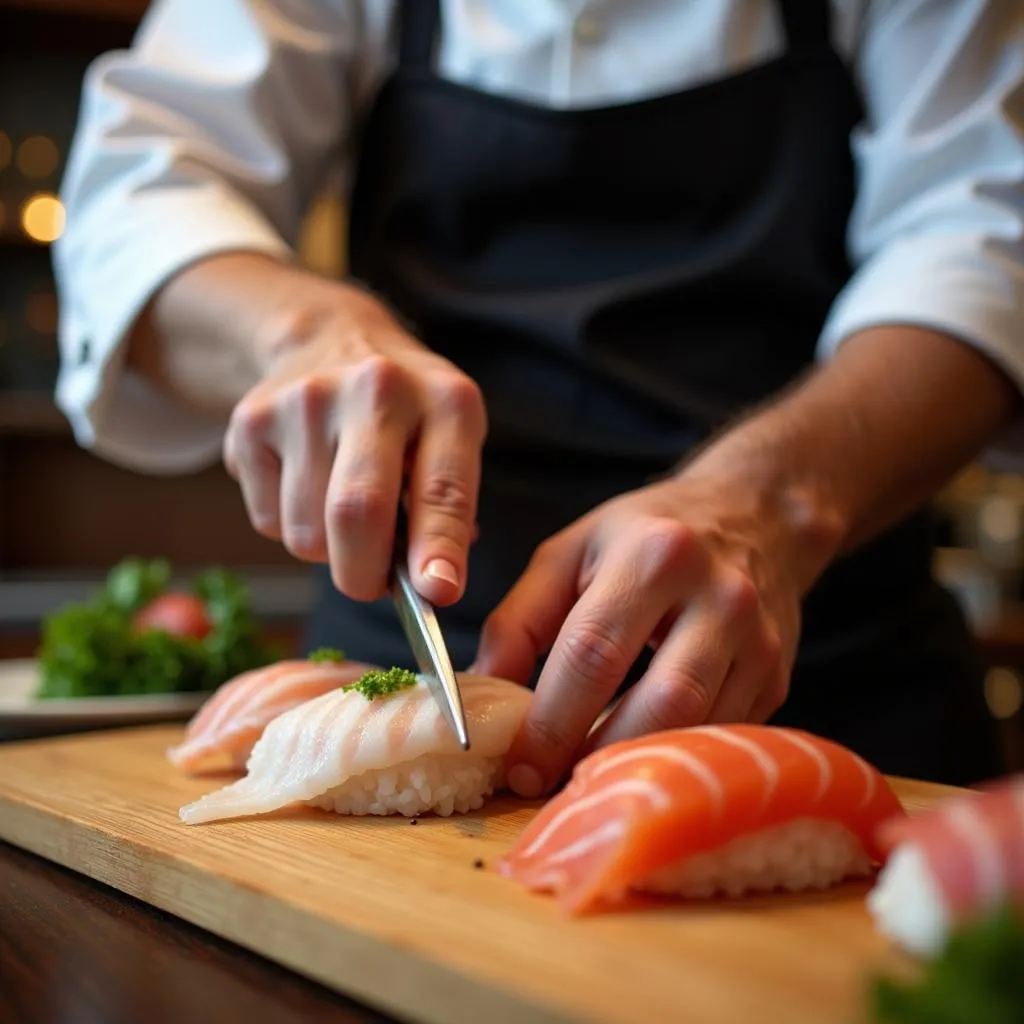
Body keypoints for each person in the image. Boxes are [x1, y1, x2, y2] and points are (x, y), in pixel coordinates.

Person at [54, 0, 1024, 796]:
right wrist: (303, 331)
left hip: (841, 684)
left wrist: (771, 499)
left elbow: (986, 230)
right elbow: (140, 190)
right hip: (407, 643)